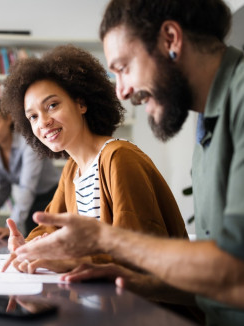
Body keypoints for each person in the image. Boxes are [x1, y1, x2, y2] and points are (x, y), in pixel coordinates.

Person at [13, 0, 244, 324]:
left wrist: (98, 242)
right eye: (33, 116)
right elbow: (218, 285)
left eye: (123, 67)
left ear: (170, 39)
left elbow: (235, 271)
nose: (121, 91)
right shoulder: (208, 127)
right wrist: (131, 281)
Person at [1, 45, 188, 275]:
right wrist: (28, 247)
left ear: (81, 103)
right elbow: (49, 230)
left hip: (150, 307)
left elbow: (138, 250)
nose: (43, 122)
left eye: (52, 105)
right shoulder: (72, 170)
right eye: (33, 116)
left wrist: (73, 260)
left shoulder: (119, 158)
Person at [0, 98, 60, 239]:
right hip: (30, 201)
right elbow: (4, 189)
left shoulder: (29, 143)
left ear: (8, 119)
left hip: (51, 200)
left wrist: (10, 228)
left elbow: (27, 188)